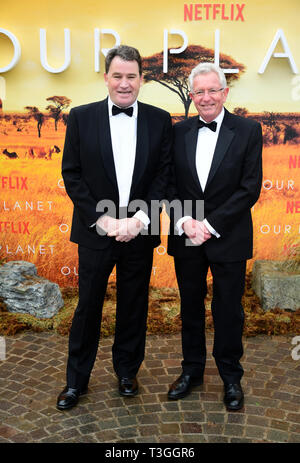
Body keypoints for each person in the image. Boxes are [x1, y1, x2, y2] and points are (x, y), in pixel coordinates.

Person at [57, 45, 172, 410]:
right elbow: (72, 175)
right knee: (88, 306)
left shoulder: (160, 119)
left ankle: (127, 372)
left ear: (142, 79)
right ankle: (76, 382)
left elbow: (162, 176)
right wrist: (103, 219)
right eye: (118, 76)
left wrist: (139, 220)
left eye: (132, 76)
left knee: (134, 305)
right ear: (106, 78)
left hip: (139, 231)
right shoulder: (80, 117)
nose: (125, 84)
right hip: (96, 230)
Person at [167, 62, 262, 410]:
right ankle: (191, 372)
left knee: (228, 310)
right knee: (190, 307)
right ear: (191, 95)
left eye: (213, 90)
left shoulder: (249, 130)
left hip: (229, 236)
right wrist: (186, 222)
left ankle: (231, 378)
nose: (206, 97)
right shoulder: (177, 132)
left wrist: (208, 224)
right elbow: (168, 185)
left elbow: (249, 188)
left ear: (225, 92)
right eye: (199, 91)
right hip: (185, 234)